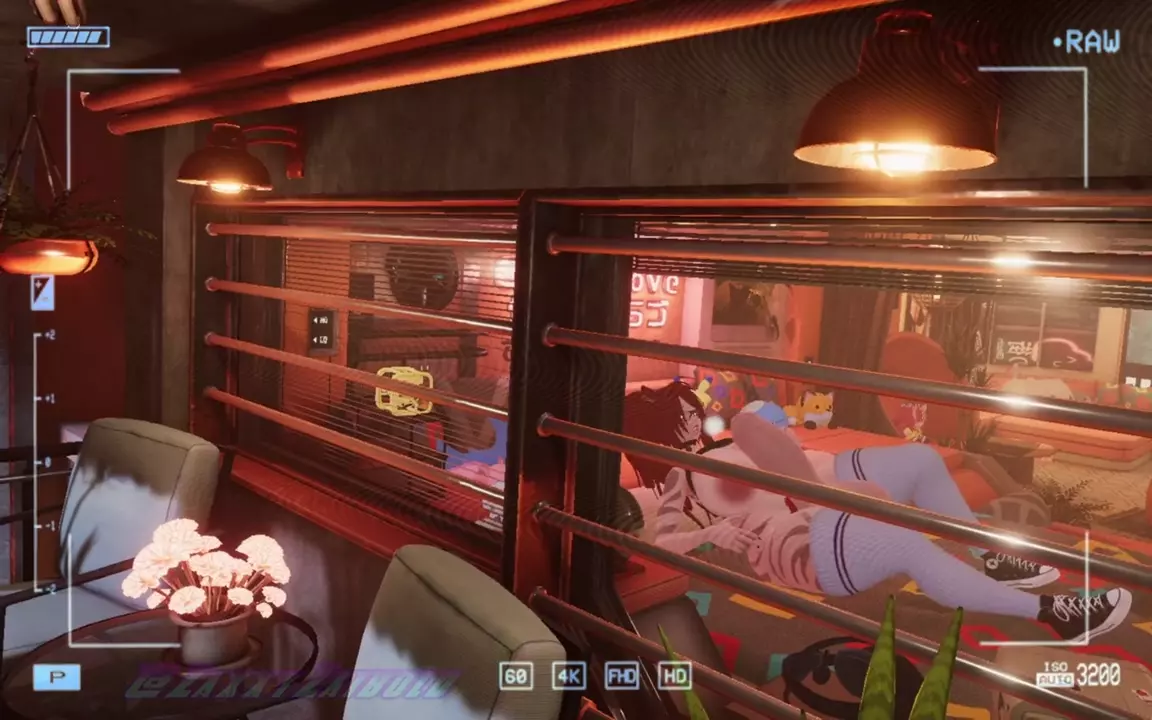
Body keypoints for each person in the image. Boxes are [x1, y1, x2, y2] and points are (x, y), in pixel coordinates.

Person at [622, 381, 1133, 642]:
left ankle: (987, 555)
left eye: (691, 407)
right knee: (908, 543)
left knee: (919, 466)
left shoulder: (726, 447)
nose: (694, 415)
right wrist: (713, 535)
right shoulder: (676, 479)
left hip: (817, 505)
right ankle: (1051, 613)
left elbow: (779, 451)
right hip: (783, 542)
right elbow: (663, 545)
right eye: (683, 413)